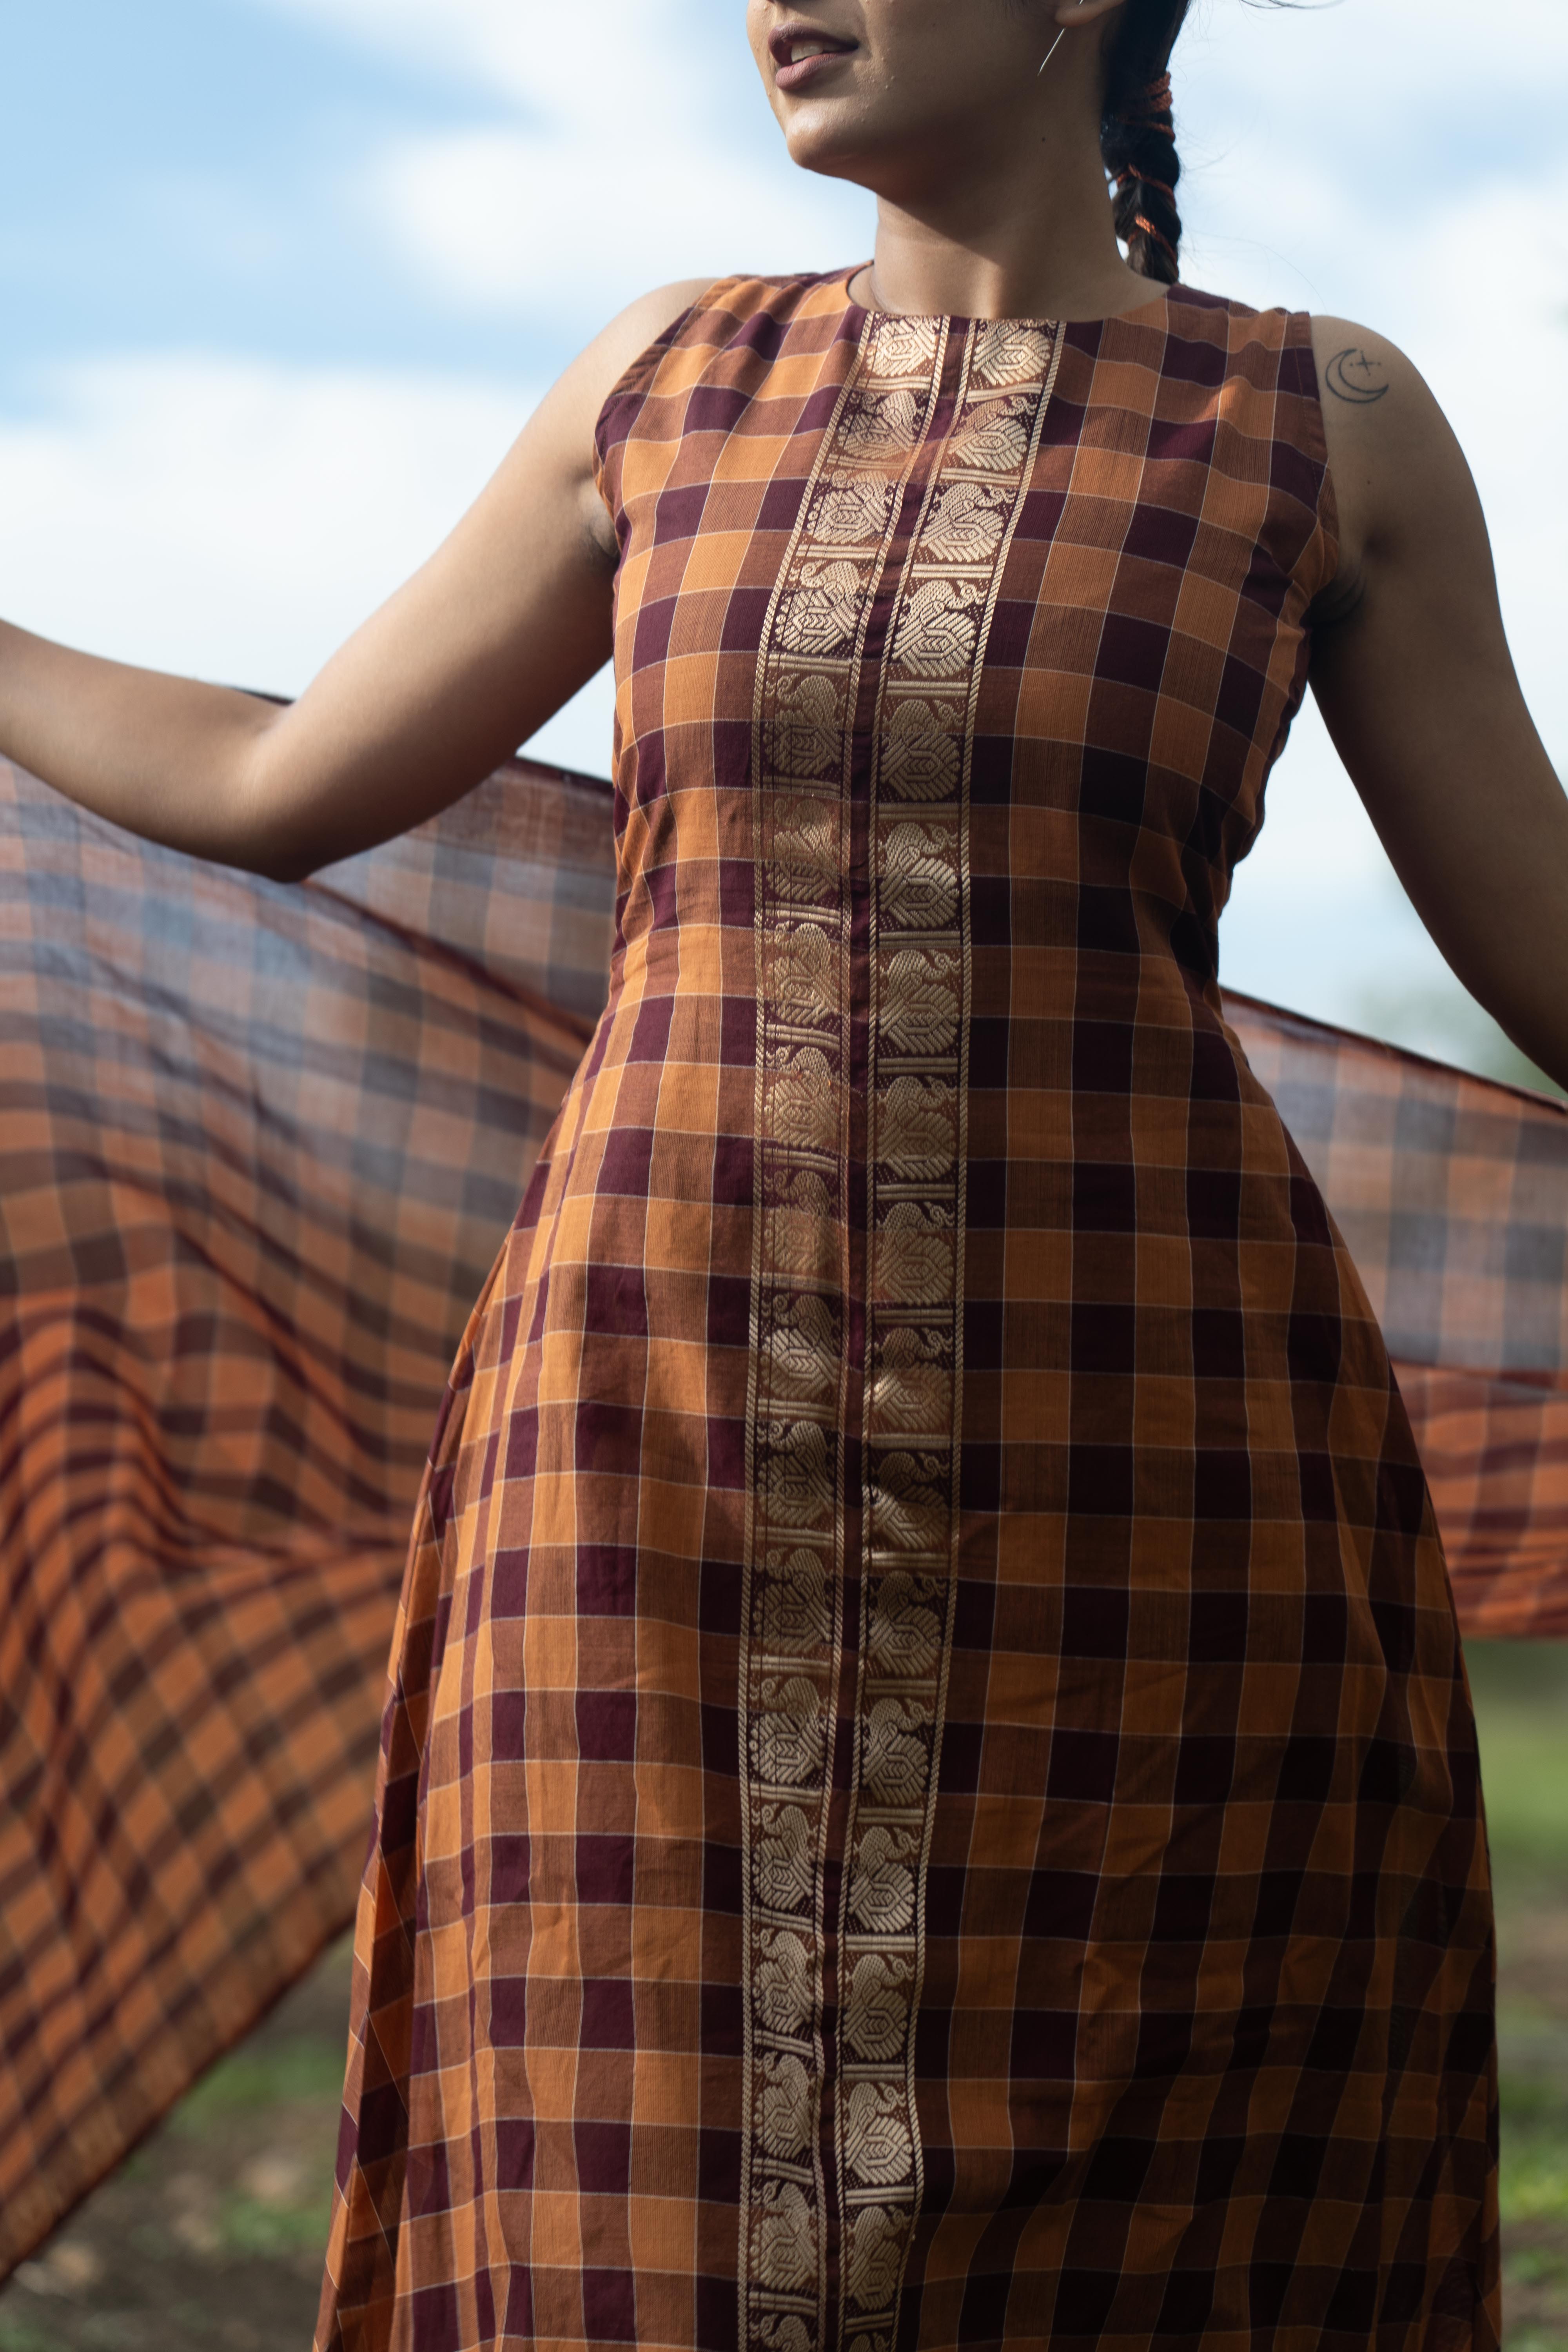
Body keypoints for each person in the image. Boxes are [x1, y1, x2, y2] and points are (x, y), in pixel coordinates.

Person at [4, 0, 1565, 2342]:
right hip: (642, 1437)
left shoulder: (1317, 419)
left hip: (1155, 1460)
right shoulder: (665, 378)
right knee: (606, 2135)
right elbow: (284, 778)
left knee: (1177, 2173)